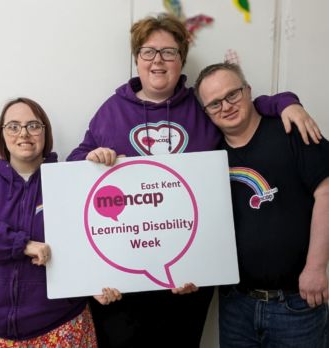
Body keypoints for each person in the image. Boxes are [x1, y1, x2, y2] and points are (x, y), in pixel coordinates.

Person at [67, 14, 322, 348]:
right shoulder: (111, 110)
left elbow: (240, 109)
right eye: (148, 52)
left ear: (181, 60)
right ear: (136, 59)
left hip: (186, 281)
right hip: (126, 282)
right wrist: (91, 159)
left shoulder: (199, 107)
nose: (158, 60)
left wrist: (284, 101)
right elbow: (73, 174)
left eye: (169, 52)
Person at [195, 62, 329, 348]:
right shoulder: (210, 156)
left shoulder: (291, 129)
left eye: (233, 94)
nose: (227, 106)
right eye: (215, 103)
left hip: (297, 303)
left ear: (249, 91)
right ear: (206, 112)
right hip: (235, 305)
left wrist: (317, 267)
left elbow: (327, 192)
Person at [0, 97, 122, 347]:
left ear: (46, 132)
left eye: (33, 125)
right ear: (2, 135)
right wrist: (22, 244)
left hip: (61, 326)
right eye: (13, 126)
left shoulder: (72, 179)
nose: (24, 133)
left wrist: (97, 283)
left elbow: (95, 240)